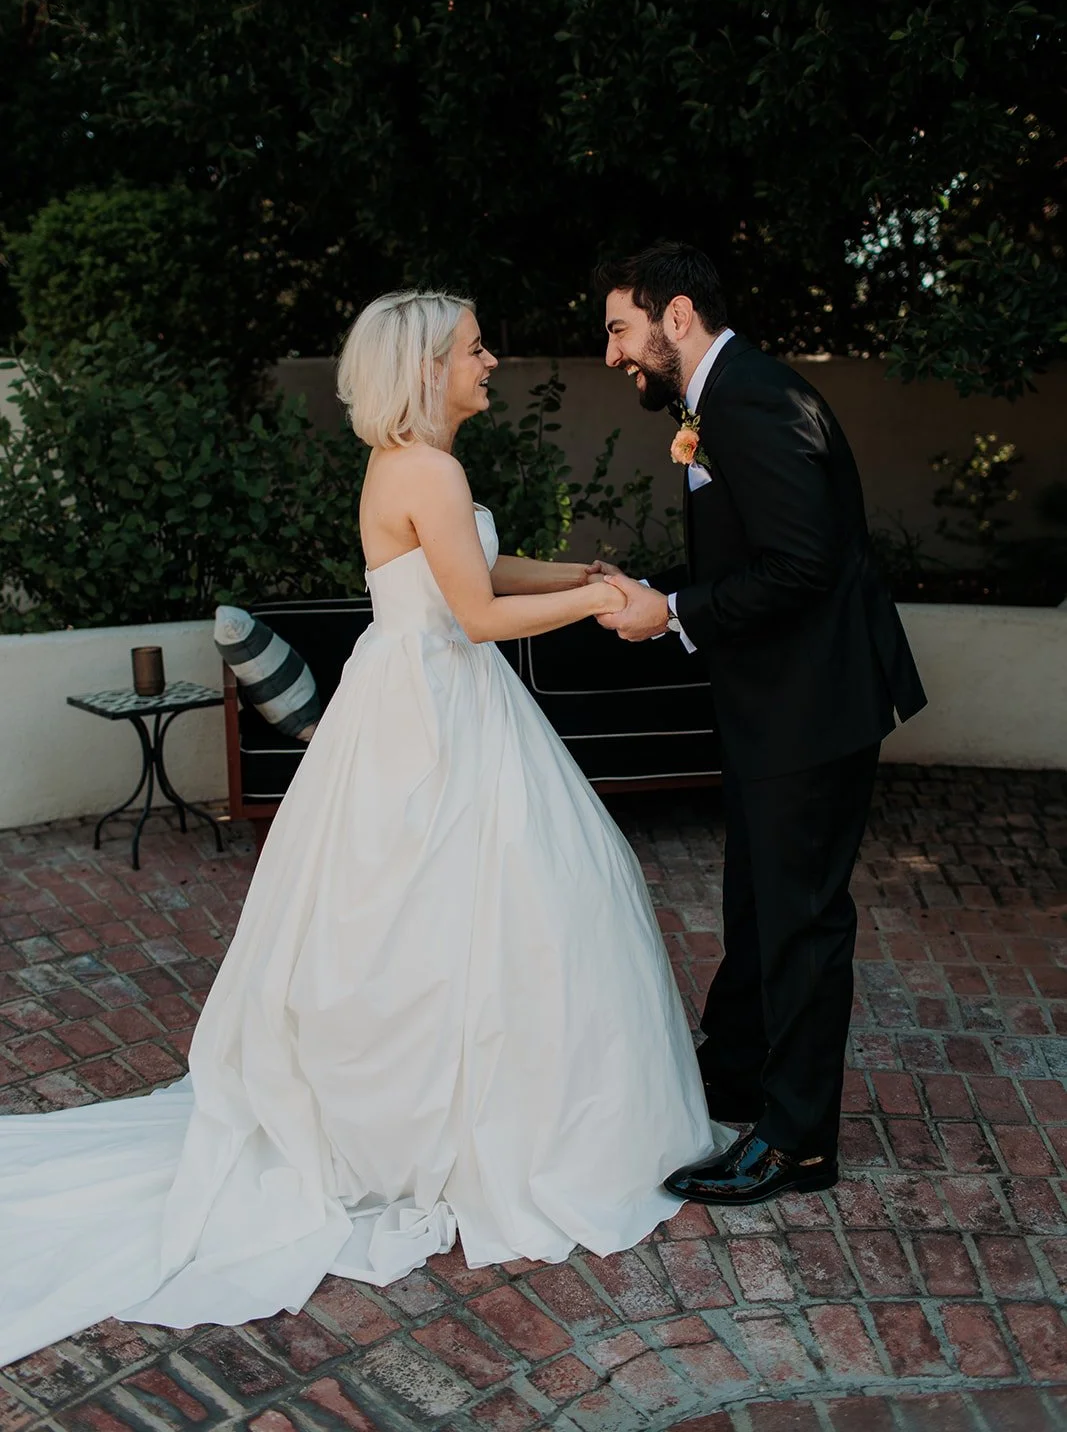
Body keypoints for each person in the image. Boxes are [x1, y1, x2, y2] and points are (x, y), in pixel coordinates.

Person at [0, 290, 726, 1368]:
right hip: (432, 716)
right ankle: (461, 1129)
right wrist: (589, 608)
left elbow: (473, 574)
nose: (492, 358)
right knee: (468, 908)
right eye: (476, 347)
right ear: (431, 364)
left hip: (427, 699)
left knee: (431, 914)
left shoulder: (413, 462)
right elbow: (476, 618)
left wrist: (579, 572)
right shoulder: (424, 469)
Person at [591, 243, 927, 1207]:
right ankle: (736, 1069)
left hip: (812, 706)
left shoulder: (749, 399)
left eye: (620, 329)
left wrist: (675, 615)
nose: (613, 355)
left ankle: (796, 1143)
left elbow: (803, 564)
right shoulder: (722, 396)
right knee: (756, 901)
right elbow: (765, 549)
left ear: (676, 315)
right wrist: (667, 593)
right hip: (774, 702)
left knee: (800, 922)